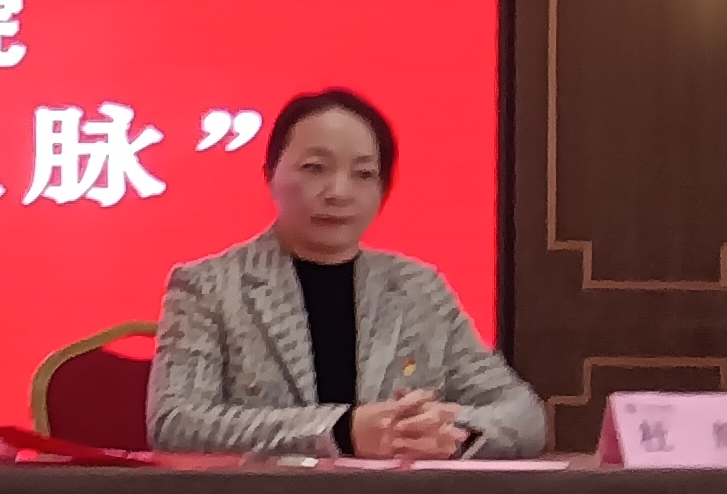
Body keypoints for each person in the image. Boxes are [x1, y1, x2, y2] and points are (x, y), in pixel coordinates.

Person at [148, 86, 540, 460]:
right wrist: (340, 431)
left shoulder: (419, 289)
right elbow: (175, 424)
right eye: (315, 168)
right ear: (270, 173)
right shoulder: (208, 287)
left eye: (363, 174)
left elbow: (524, 415)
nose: (339, 191)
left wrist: (448, 431)